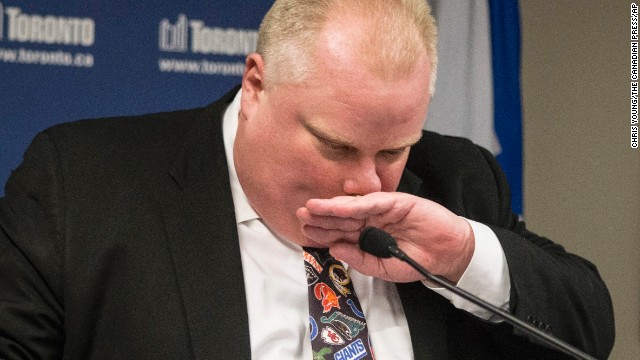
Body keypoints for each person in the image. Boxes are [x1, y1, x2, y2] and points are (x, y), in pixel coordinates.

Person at [0, 0, 614, 359]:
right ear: (256, 85)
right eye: (336, 145)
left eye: (393, 150)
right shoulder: (81, 185)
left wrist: (461, 255)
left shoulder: (454, 180)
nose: (365, 186)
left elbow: (591, 331)